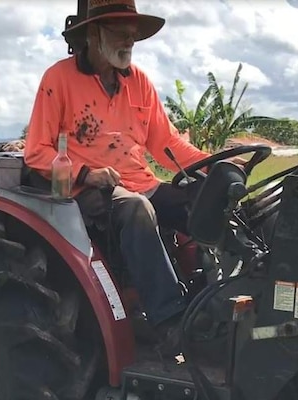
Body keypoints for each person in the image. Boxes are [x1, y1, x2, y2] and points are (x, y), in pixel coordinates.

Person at [24, 0, 235, 354]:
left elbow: (166, 143)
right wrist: (87, 174)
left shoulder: (138, 83)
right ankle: (169, 321)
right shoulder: (58, 79)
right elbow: (37, 153)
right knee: (137, 209)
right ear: (94, 33)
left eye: (133, 35)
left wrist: (215, 166)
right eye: (120, 33)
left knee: (206, 204)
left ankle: (221, 301)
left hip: (142, 183)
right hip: (87, 191)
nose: (129, 42)